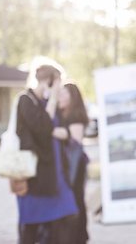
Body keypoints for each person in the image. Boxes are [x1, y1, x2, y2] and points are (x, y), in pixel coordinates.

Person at [12, 63, 79, 244]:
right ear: (48, 81)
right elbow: (42, 128)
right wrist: (52, 105)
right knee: (31, 226)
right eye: (58, 82)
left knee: (62, 221)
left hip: (56, 173)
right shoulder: (26, 100)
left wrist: (54, 130)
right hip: (35, 174)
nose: (60, 87)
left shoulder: (51, 105)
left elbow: (65, 132)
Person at [53, 83, 90, 244]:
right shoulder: (61, 114)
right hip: (67, 164)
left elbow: (76, 139)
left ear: (72, 97)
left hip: (75, 165)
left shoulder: (76, 115)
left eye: (63, 94)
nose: (59, 97)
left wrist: (50, 130)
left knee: (76, 198)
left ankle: (79, 237)